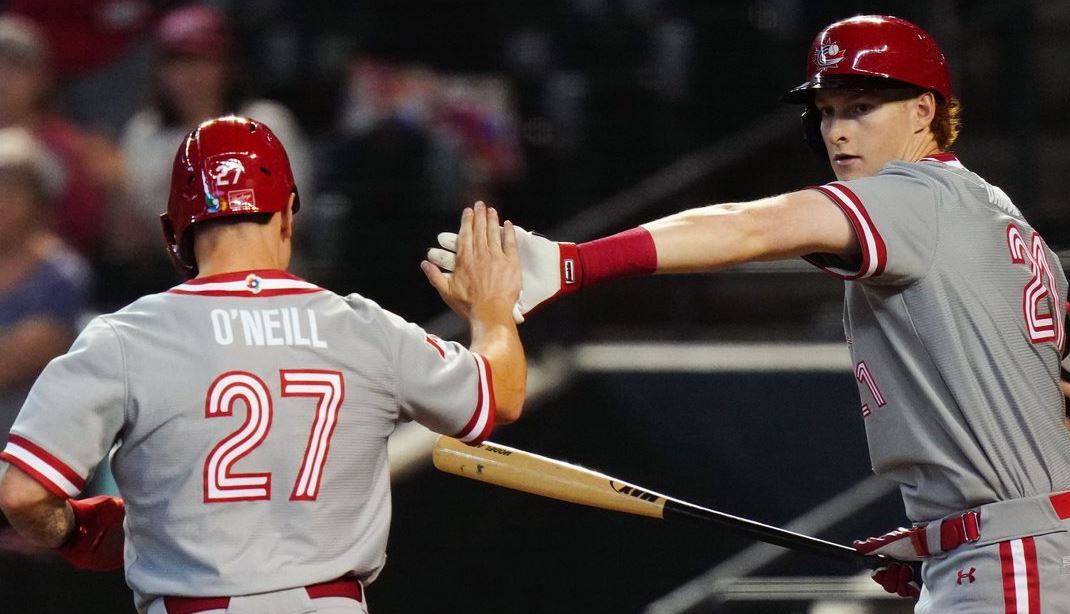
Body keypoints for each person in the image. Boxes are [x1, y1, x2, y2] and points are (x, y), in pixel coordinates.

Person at [429, 15, 1069, 612]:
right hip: (1015, 547)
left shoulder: (914, 197)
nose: (837, 131)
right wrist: (944, 535)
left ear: (924, 110)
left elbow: (751, 226)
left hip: (1014, 559)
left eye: (862, 108)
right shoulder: (1008, 226)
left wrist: (573, 264)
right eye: (827, 111)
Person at [0, 115, 525, 614]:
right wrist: (492, 308)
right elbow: (501, 394)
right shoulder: (364, 329)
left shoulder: (125, 338)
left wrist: (70, 530)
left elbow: (22, 494)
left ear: (173, 231)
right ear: (288, 214)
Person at [0, 127, 91, 445]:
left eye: (12, 190)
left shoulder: (61, 274)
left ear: (38, 198)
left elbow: (26, 355)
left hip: (32, 439)